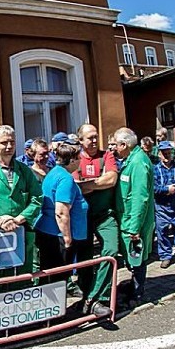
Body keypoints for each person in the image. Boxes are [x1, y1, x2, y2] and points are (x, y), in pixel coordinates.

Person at [0, 125, 42, 280]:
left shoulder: (24, 170)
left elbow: (37, 199)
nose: (9, 146)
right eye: (4, 143)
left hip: (20, 231)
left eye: (12, 142)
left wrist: (19, 219)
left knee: (19, 279)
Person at [74, 124, 118, 319]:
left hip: (104, 215)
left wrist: (89, 184)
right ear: (80, 141)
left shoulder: (106, 155)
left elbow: (111, 180)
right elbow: (75, 187)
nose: (93, 140)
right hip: (82, 217)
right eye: (89, 138)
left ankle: (97, 296)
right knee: (84, 260)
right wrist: (98, 181)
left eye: (95, 137)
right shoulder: (76, 158)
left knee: (111, 249)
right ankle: (86, 295)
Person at [113, 127, 155, 308]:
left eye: (115, 144)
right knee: (133, 260)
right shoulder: (130, 159)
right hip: (127, 221)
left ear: (124, 144)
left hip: (134, 224)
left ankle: (137, 294)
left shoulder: (138, 163)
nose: (113, 147)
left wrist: (134, 228)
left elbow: (140, 197)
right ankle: (132, 287)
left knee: (137, 260)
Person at [35, 141, 87, 288]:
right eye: (79, 158)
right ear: (72, 160)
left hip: (47, 231)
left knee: (49, 275)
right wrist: (67, 238)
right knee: (58, 277)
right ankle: (57, 310)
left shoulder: (54, 172)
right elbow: (61, 211)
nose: (80, 161)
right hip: (57, 235)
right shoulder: (65, 178)